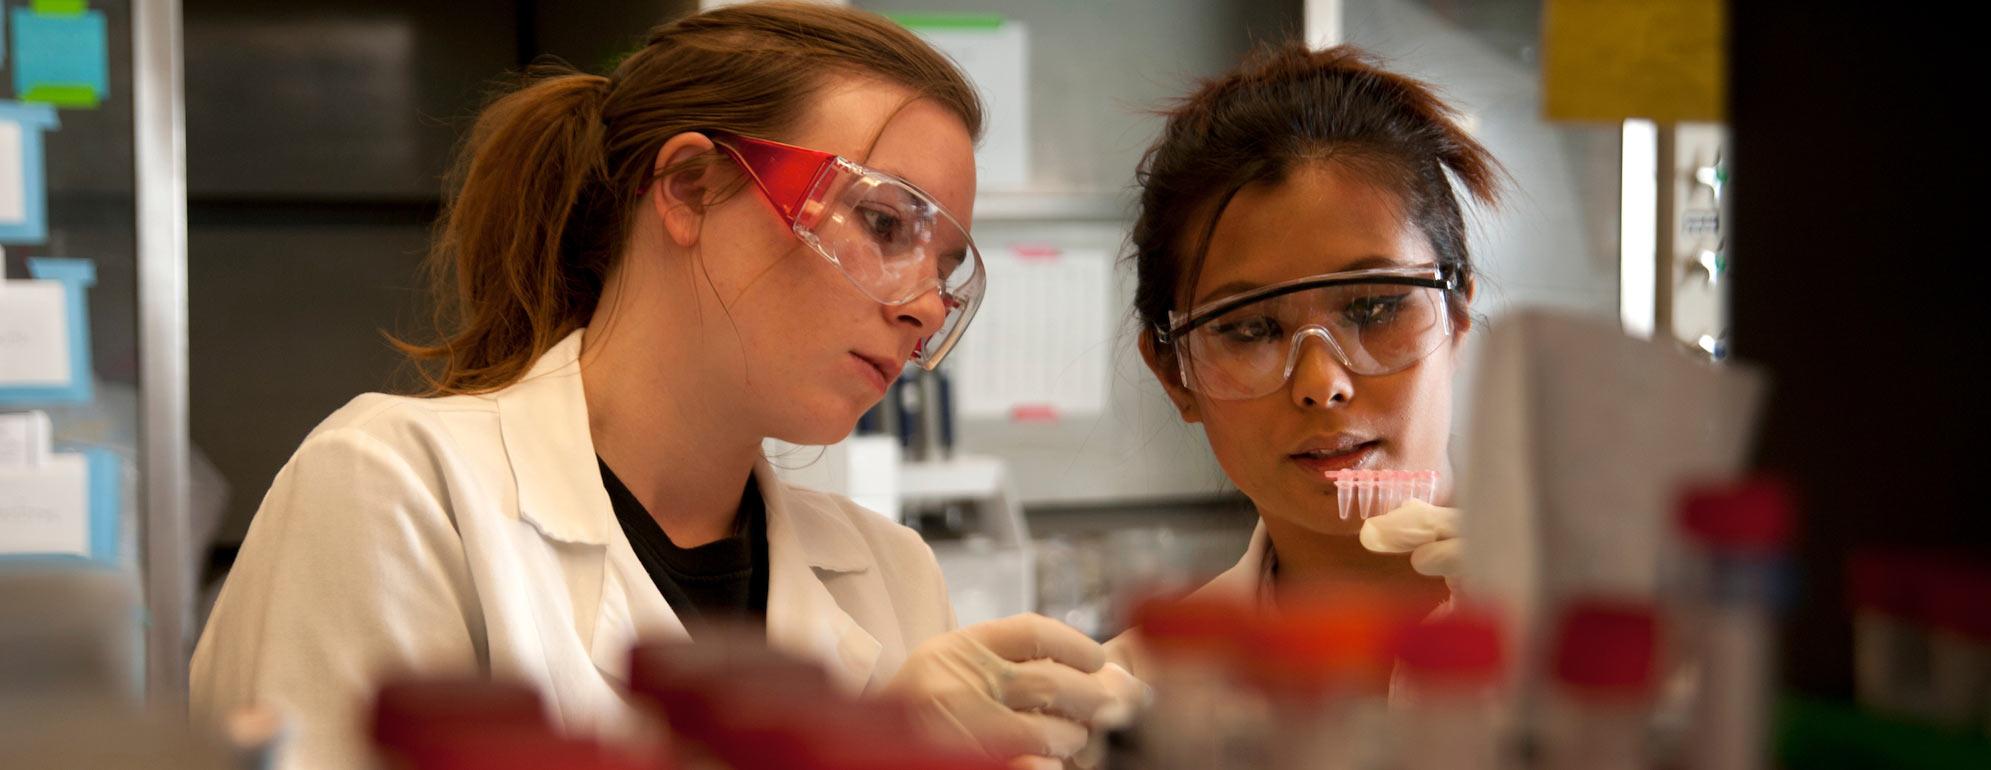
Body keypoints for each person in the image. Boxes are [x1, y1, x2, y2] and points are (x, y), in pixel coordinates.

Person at [191, 4, 1128, 768]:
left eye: (948, 265)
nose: (924, 304)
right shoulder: (397, 491)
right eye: (884, 224)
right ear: (687, 187)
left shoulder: (886, 574)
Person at [1108, 42, 1505, 680]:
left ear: (1455, 317)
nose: (1322, 385)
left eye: (1375, 309)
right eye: (1249, 329)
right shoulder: (1127, 706)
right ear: (1173, 373)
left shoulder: (1626, 647)